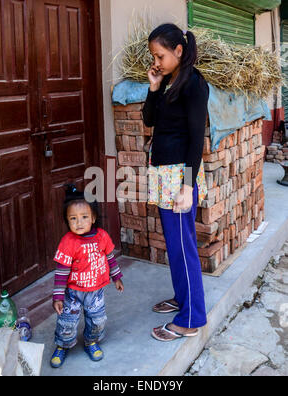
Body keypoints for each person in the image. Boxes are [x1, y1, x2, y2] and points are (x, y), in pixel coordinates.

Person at [142, 23, 209, 341]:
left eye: (160, 55)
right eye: (155, 56)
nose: (157, 61)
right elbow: (149, 119)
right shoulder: (167, 82)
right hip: (163, 174)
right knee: (176, 245)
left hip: (180, 175)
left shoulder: (194, 84)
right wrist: (154, 86)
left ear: (179, 51)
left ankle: (191, 319)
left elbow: (197, 139)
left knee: (185, 248)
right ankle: (183, 300)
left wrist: (187, 186)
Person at [50, 185, 124, 368]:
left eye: (84, 217)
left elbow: (110, 258)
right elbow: (61, 272)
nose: (79, 222)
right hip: (73, 293)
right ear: (67, 221)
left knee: (97, 319)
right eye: (73, 218)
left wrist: (117, 278)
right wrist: (58, 296)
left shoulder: (102, 237)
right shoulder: (68, 241)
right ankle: (62, 345)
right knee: (67, 321)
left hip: (96, 291)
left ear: (93, 217)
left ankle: (91, 341)